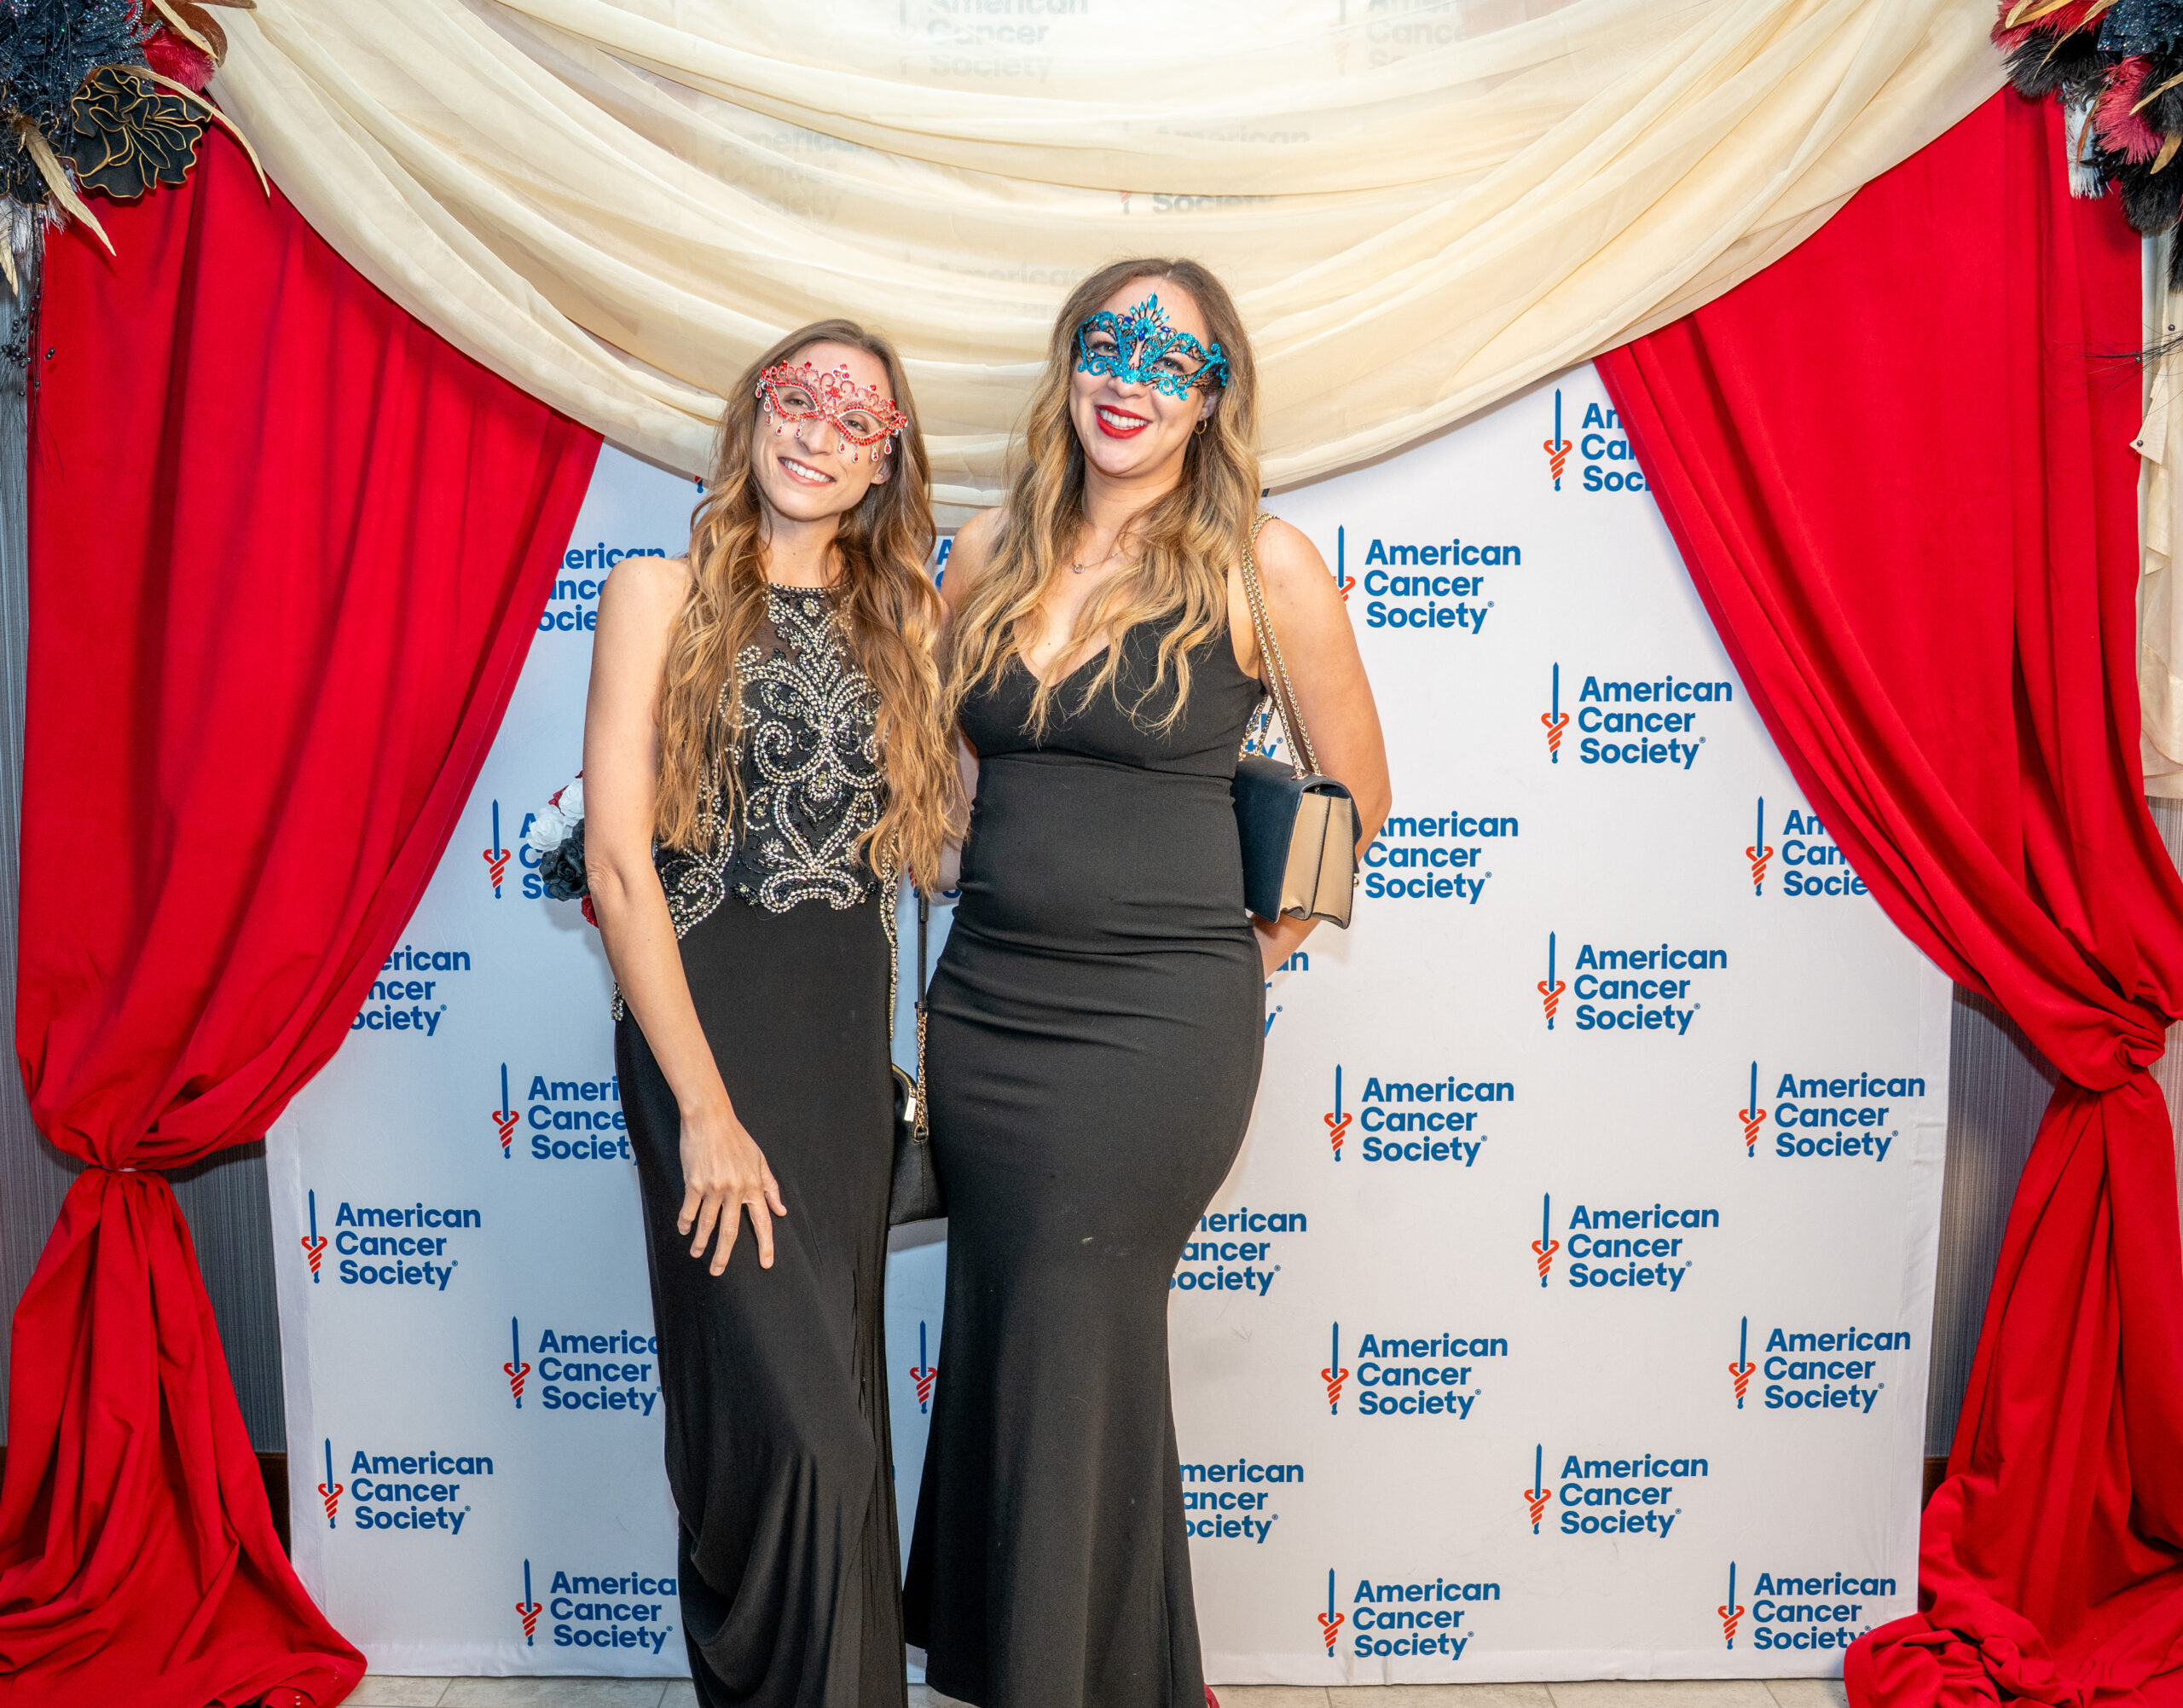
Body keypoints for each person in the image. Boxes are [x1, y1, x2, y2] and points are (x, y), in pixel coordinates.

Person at [904, 260, 1392, 1708]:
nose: (1130, 379)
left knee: (1070, 1328)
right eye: (1108, 345)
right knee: (1021, 1333)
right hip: (989, 1006)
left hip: (1155, 1035)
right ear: (1070, 364)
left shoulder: (1260, 564)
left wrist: (1252, 954)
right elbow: (958, 772)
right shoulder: (989, 550)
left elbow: (1356, 794)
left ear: (1214, 397)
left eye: (1171, 360)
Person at [583, 321, 958, 1708]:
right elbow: (619, 868)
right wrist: (703, 1109)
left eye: (856, 418)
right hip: (705, 1049)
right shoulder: (656, 595)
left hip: (840, 1073)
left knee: (843, 1430)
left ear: (884, 462)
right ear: (753, 415)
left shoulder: (911, 622)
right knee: (795, 1439)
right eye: (797, 399)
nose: (817, 432)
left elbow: (940, 850)